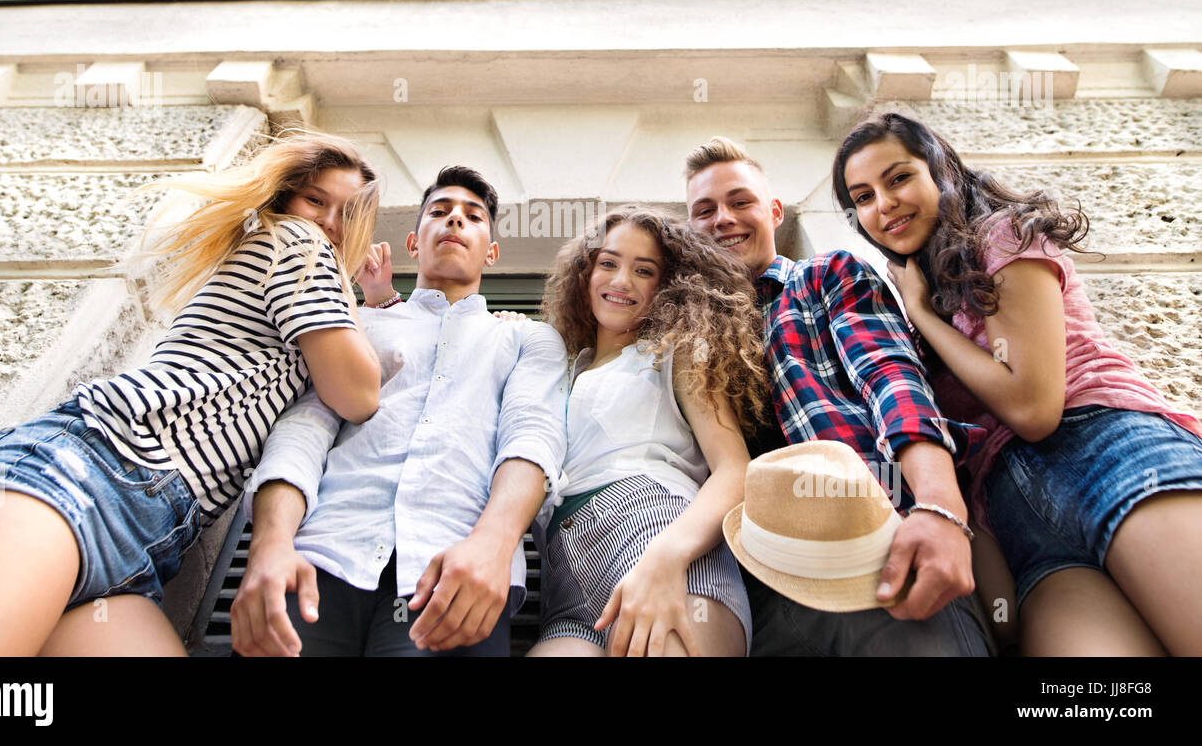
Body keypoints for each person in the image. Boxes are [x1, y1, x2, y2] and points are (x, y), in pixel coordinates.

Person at [0, 132, 383, 656]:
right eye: (317, 200)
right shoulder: (297, 242)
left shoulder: (311, 278)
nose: (330, 223)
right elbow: (356, 392)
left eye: (347, 214)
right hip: (95, 469)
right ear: (286, 200)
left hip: (154, 538)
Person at [835, 111, 1202, 656]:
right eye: (862, 197)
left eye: (898, 178)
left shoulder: (1003, 234)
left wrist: (924, 315)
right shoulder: (916, 306)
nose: (882, 204)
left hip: (1105, 451)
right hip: (1019, 522)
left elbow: (1034, 407)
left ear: (940, 171)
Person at [231, 165, 568, 657]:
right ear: (414, 242)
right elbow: (305, 428)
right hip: (318, 559)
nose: (455, 220)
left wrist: (493, 548)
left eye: (472, 216)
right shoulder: (355, 323)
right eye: (440, 211)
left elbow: (533, 436)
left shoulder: (526, 338)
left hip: (455, 574)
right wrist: (271, 543)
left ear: (491, 252)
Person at [685, 136, 992, 656]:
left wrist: (940, 508)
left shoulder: (825, 275)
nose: (723, 219)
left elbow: (892, 379)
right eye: (705, 210)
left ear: (774, 212)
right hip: (754, 590)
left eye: (741, 202)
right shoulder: (685, 331)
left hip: (871, 551)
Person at [529, 206, 762, 657]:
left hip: (655, 535)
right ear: (586, 273)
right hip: (566, 580)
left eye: (644, 270)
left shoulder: (673, 352)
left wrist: (665, 557)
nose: (621, 282)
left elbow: (734, 469)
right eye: (609, 263)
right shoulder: (558, 370)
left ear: (667, 286)